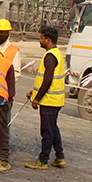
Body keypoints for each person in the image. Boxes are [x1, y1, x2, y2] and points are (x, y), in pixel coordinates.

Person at [24, 26, 66, 170]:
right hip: (55, 100)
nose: (40, 41)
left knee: (47, 131)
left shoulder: (50, 56)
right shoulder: (56, 53)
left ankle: (43, 160)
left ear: (48, 40)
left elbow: (48, 80)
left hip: (49, 101)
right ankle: (60, 156)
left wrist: (37, 99)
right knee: (53, 129)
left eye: (41, 38)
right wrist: (34, 92)